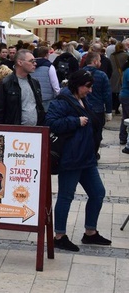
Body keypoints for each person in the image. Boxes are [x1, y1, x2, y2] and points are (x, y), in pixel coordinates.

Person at [45, 70, 111, 252]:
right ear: (77, 84)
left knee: (98, 193)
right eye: (87, 87)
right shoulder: (62, 101)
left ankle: (90, 232)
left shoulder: (83, 99)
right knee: (66, 196)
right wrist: (75, 121)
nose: (90, 90)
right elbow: (50, 123)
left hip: (87, 157)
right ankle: (59, 236)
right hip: (71, 158)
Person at [0, 49, 45, 126]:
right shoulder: (6, 83)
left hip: (35, 132)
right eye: (31, 61)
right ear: (20, 62)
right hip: (14, 132)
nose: (35, 63)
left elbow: (39, 107)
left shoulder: (35, 82)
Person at [83, 51, 112, 157]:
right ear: (95, 62)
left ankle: (85, 153)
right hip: (97, 109)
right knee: (97, 134)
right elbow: (107, 94)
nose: (100, 62)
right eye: (99, 60)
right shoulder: (102, 75)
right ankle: (93, 154)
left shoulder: (80, 73)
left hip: (82, 108)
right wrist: (109, 111)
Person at [31, 46, 60, 112]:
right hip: (47, 98)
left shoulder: (31, 65)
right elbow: (55, 84)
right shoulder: (49, 66)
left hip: (33, 97)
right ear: (47, 54)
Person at [109, 40, 128, 114]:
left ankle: (113, 106)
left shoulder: (112, 56)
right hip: (121, 75)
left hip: (113, 75)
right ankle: (117, 108)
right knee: (120, 91)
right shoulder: (126, 55)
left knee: (113, 92)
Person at [120, 59, 129, 150]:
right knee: (127, 118)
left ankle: (123, 137)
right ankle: (124, 137)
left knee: (125, 117)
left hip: (124, 95)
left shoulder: (126, 70)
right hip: (127, 96)